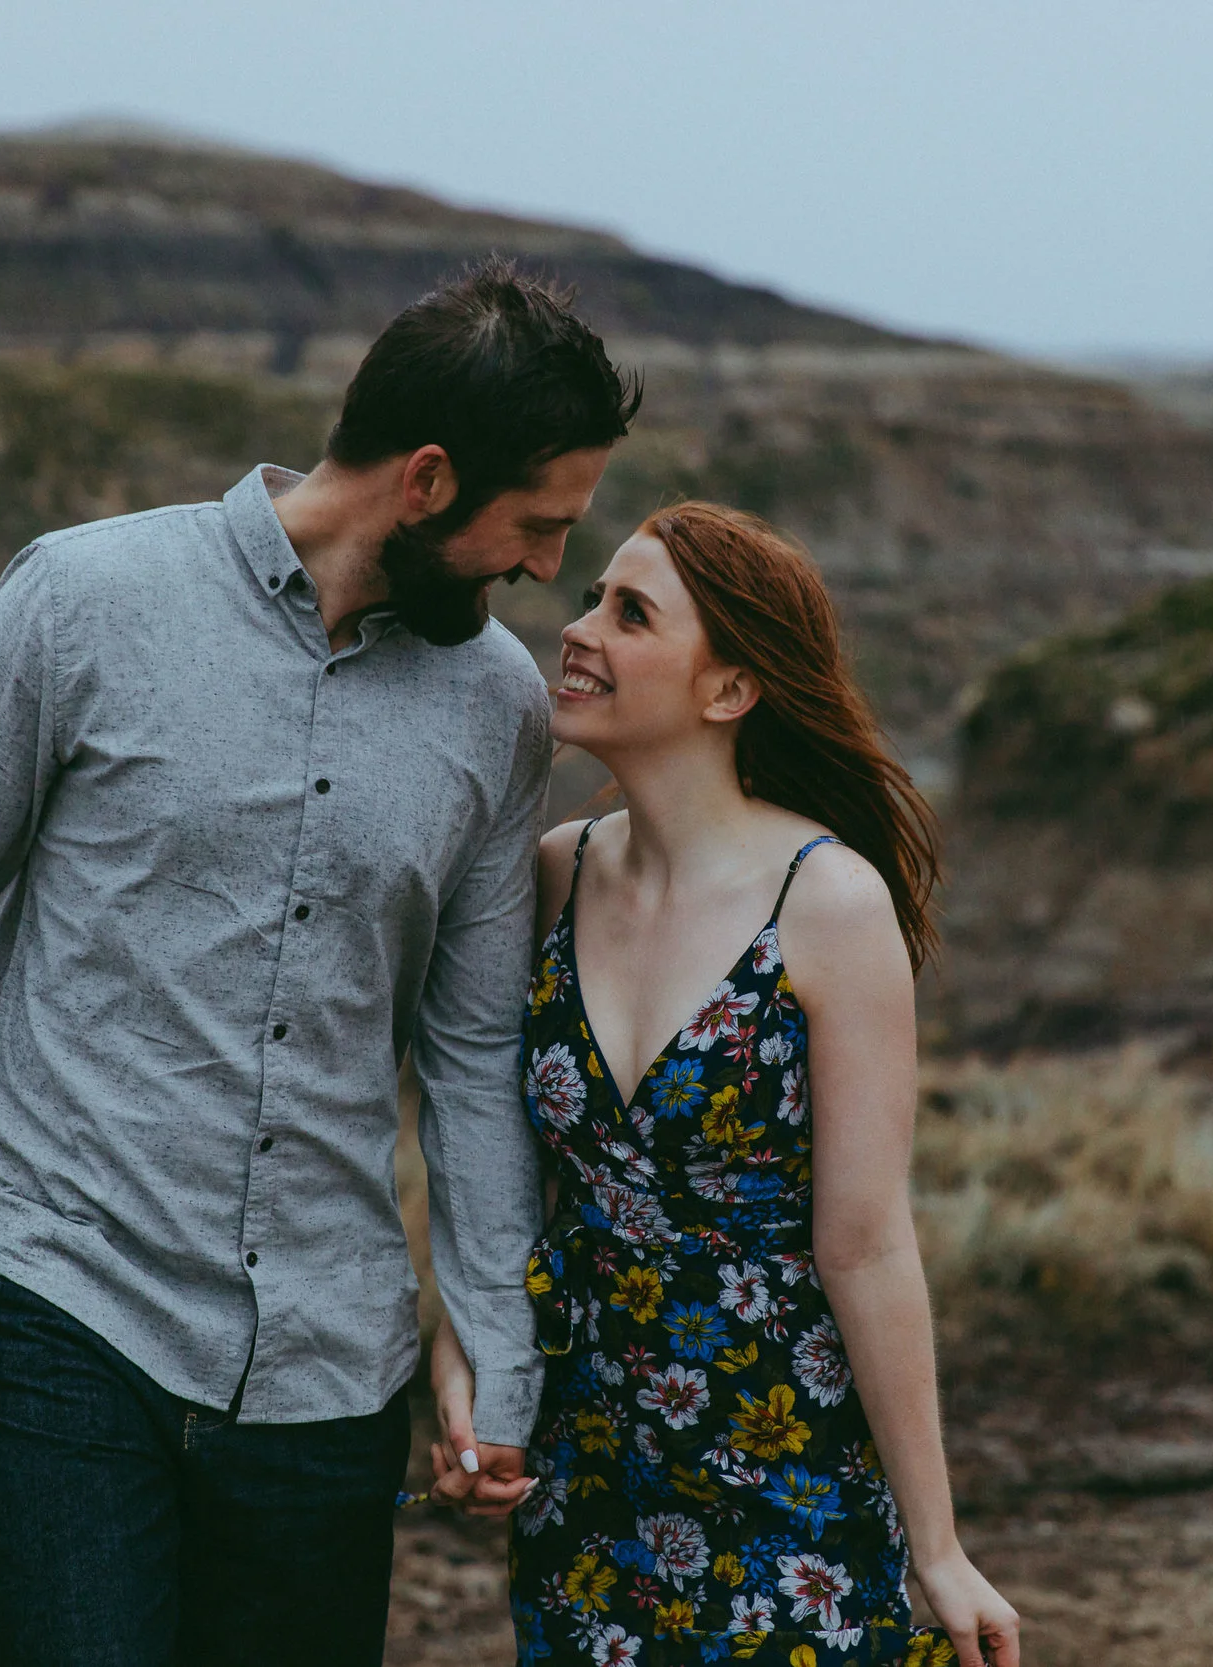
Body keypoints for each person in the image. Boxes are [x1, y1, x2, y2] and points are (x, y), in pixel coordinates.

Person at [0, 260, 639, 1666]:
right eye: (536, 525)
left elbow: (475, 1051)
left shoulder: (495, 708)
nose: (547, 569)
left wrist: (493, 1341)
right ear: (426, 480)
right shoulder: (82, 599)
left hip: (326, 1349)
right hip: (60, 1278)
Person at [432, 502, 1023, 1664]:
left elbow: (864, 1243)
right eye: (595, 596)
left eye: (631, 613)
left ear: (729, 690)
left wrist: (936, 1544)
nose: (579, 629)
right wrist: (468, 1361)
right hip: (586, 1480)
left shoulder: (828, 902)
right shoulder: (556, 871)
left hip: (786, 1482)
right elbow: (497, 1168)